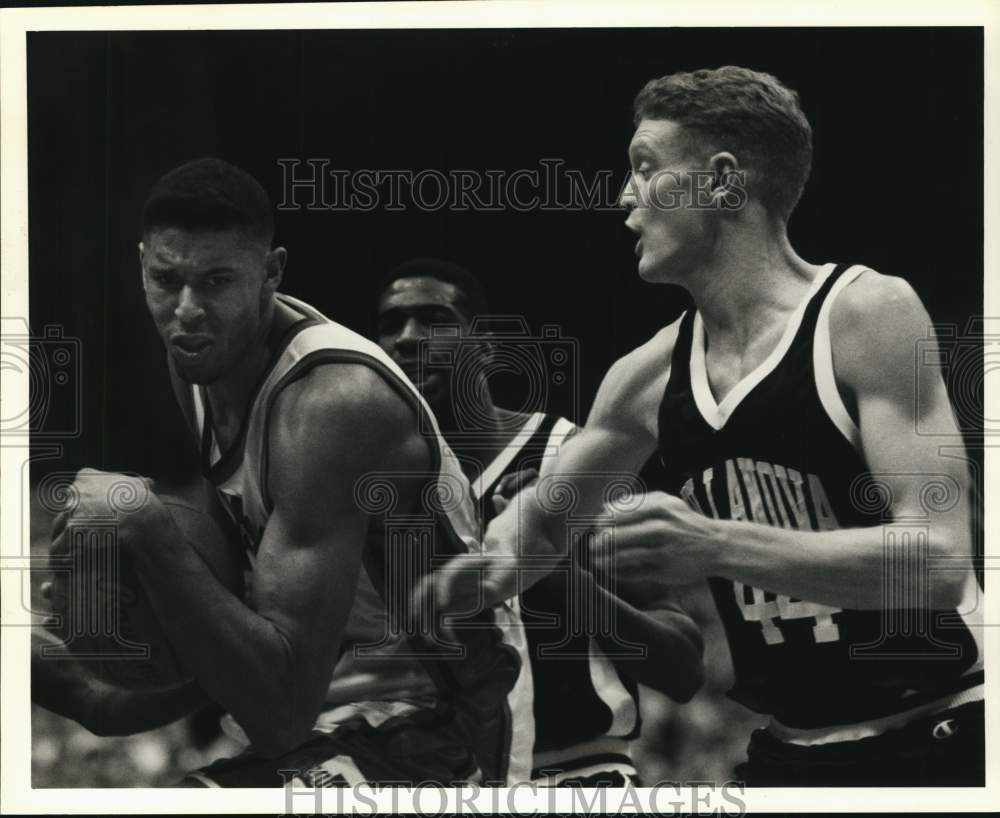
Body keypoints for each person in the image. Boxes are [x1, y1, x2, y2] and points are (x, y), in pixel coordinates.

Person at [423, 66, 984, 786]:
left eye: (645, 169)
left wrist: (715, 544)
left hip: (943, 730)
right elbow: (541, 525)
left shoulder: (864, 313)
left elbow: (938, 563)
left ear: (722, 182)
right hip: (791, 748)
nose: (625, 197)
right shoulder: (646, 375)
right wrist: (486, 565)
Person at [31, 158, 532, 787]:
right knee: (87, 695)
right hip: (332, 694)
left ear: (271, 273)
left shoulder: (334, 403)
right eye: (166, 278)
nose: (186, 310)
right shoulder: (200, 356)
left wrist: (144, 524)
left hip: (447, 720)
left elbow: (279, 717)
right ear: (141, 264)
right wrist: (108, 625)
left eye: (216, 281)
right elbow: (240, 602)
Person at [376, 258, 704, 785]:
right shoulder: (391, 494)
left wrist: (559, 577)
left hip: (579, 774)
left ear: (483, 347)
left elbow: (682, 665)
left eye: (433, 320)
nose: (408, 339)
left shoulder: (573, 461)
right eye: (390, 325)